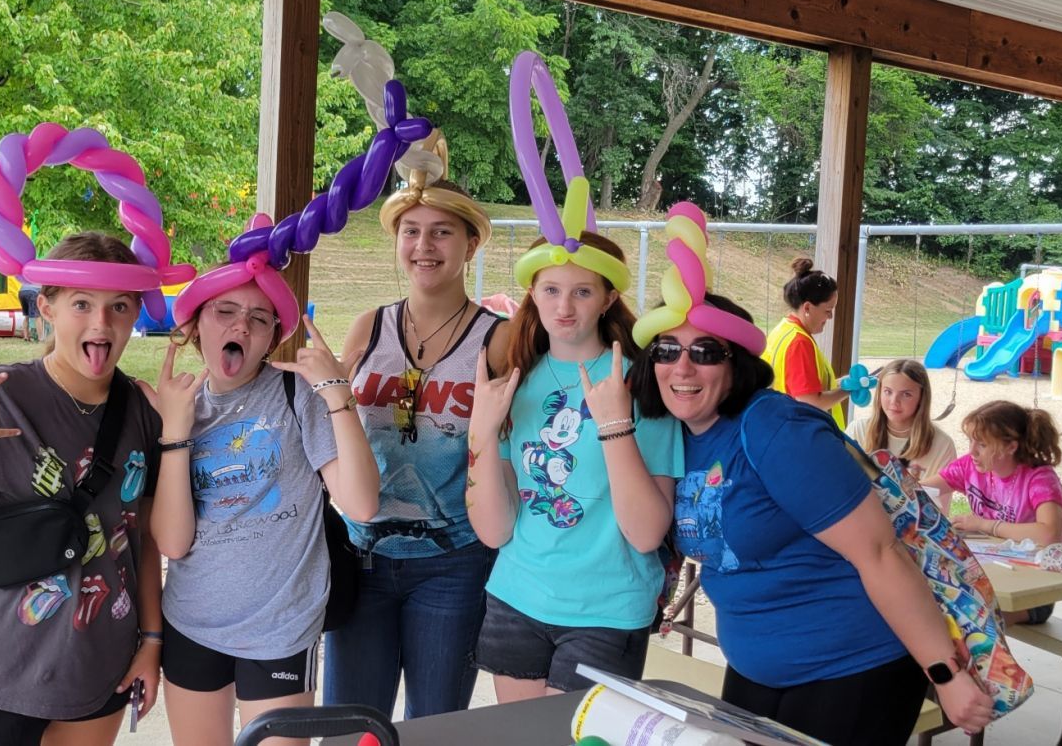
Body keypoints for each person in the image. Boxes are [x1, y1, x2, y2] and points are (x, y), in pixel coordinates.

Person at [632, 204, 993, 743]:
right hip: (756, 669)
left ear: (735, 365)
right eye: (667, 349)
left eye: (705, 351)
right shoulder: (673, 435)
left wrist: (945, 674)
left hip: (852, 665)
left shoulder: (777, 429)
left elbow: (880, 553)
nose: (682, 367)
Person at [0, 232, 166, 746]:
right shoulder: (2, 394)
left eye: (120, 307)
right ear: (46, 307)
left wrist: (151, 641)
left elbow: (145, 540)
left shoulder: (142, 412)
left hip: (98, 666)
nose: (101, 324)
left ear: (137, 316)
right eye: (81, 304)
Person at [147, 237, 381, 746]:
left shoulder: (297, 394)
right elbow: (172, 542)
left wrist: (337, 395)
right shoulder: (175, 408)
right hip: (192, 623)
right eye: (225, 311)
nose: (241, 326)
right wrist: (175, 433)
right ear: (192, 326)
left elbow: (362, 503)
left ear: (275, 333)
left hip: (281, 627)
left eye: (259, 317)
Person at [324, 149, 512, 718]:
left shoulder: (497, 340)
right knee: (350, 724)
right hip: (363, 556)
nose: (424, 247)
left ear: (470, 244)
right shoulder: (368, 327)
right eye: (411, 232)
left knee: (436, 724)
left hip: (453, 562)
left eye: (441, 233)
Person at [465, 228, 684, 702]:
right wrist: (480, 434)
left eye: (582, 291)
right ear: (532, 294)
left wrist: (615, 426)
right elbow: (494, 531)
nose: (565, 307)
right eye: (551, 290)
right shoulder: (514, 384)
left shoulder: (643, 385)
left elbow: (647, 534)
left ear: (608, 299)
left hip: (608, 610)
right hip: (517, 599)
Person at [924, 400, 1062, 624]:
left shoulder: (1039, 478)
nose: (971, 450)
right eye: (970, 440)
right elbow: (922, 491)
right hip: (988, 579)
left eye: (981, 444)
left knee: (967, 621)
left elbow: (1050, 534)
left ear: (1011, 447)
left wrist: (984, 525)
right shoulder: (970, 467)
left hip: (1032, 593)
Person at [762, 258, 849, 427]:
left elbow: (800, 386)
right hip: (799, 435)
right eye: (828, 310)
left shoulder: (784, 330)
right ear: (808, 308)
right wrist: (847, 390)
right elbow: (810, 401)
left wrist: (839, 383)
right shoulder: (799, 343)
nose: (830, 317)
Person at [846, 359, 958, 486]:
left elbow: (939, 503)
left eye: (906, 394)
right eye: (888, 392)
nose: (894, 401)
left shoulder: (942, 445)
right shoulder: (857, 430)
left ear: (922, 397)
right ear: (879, 393)